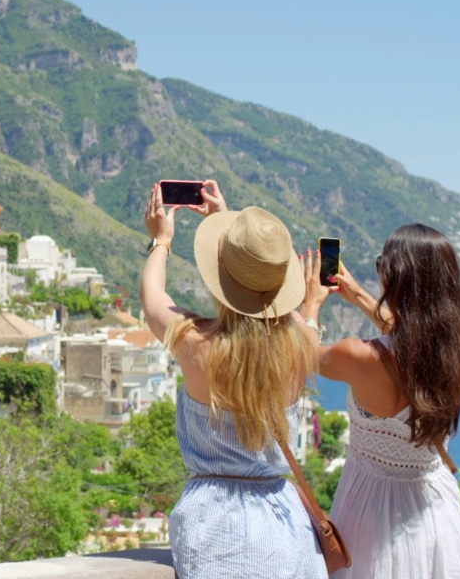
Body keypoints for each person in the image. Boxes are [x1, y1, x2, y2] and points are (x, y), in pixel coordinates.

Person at [140, 181, 328, 579]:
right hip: (284, 522)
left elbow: (152, 294)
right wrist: (251, 256)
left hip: (214, 523)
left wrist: (162, 240)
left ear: (218, 279)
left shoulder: (195, 343)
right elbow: (291, 316)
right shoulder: (301, 347)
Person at [304, 224, 460, 579]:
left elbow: (302, 354)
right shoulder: (455, 347)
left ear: (395, 276)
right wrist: (357, 295)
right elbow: (410, 335)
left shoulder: (359, 356)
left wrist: (311, 305)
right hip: (434, 510)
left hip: (370, 512)